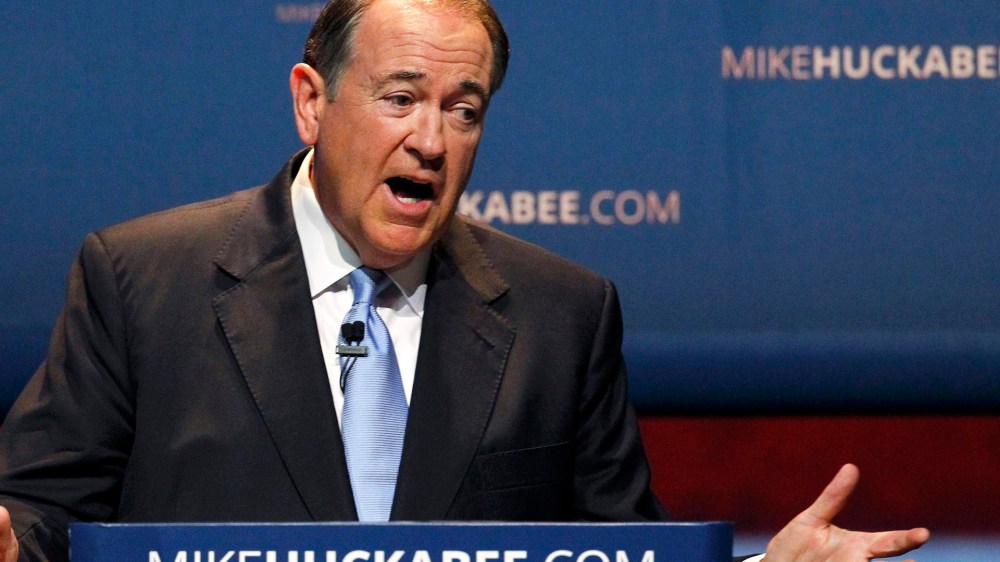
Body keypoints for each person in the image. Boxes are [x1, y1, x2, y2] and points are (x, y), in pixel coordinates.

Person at [0, 1, 929, 561]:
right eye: (400, 97)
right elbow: (44, 518)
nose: (433, 142)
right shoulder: (140, 281)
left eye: (464, 109)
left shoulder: (562, 317)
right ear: (311, 102)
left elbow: (616, 554)